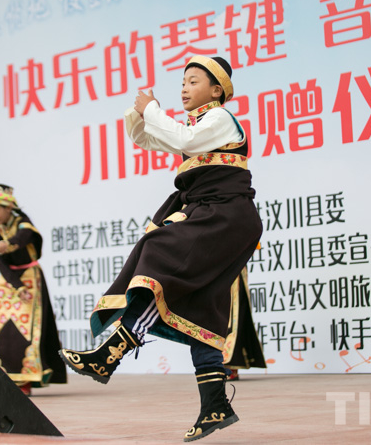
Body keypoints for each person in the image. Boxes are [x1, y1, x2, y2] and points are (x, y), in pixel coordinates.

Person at [59, 55, 262, 442]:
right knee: (198, 306)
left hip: (225, 216)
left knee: (157, 251)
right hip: (217, 215)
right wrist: (138, 114)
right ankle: (215, 405)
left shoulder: (219, 118)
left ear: (216, 91)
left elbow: (182, 140)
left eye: (193, 81)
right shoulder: (198, 126)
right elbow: (150, 139)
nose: (184, 88)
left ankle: (108, 356)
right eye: (182, 82)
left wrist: (152, 108)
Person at [0, 184, 66, 395]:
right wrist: (16, 286)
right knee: (2, 331)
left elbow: (25, 237)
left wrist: (9, 244)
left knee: (27, 331)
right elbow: (2, 265)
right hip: (9, 283)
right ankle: (5, 377)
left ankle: (25, 380)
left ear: (8, 208)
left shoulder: (23, 223)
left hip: (30, 278)